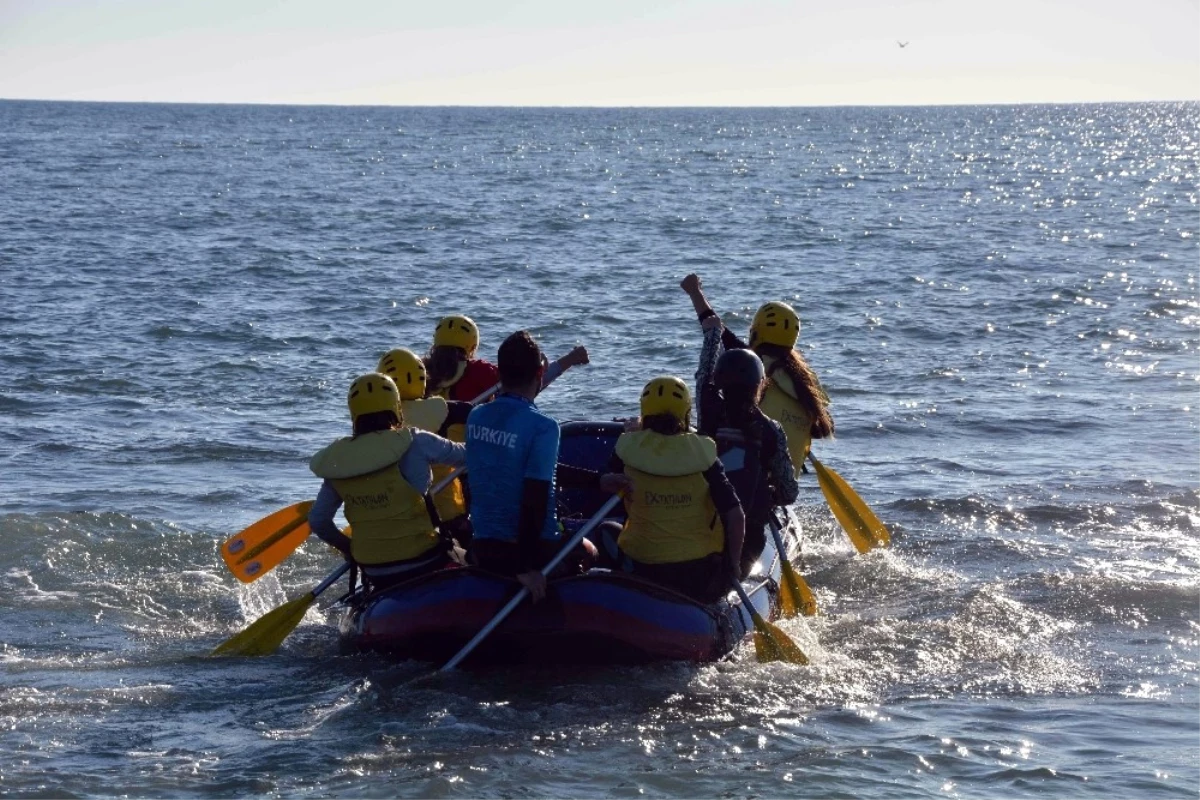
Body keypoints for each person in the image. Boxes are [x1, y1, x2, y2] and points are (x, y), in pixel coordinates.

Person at [464, 330, 598, 601]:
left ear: (499, 373)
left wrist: (597, 480)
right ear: (539, 374)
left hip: (485, 544)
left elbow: (508, 468)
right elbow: (534, 497)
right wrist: (527, 568)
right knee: (590, 550)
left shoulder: (475, 416)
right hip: (531, 549)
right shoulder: (543, 427)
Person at [307, 373, 466, 591]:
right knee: (473, 559)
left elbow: (318, 521)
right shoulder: (416, 441)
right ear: (395, 407)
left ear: (354, 414)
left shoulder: (339, 461)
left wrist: (349, 549)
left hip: (374, 570)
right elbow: (466, 455)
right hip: (424, 560)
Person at [598, 376, 746, 604]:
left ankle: (620, 594)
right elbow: (735, 515)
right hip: (696, 572)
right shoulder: (704, 454)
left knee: (606, 529)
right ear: (685, 415)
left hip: (642, 568)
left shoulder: (626, 447)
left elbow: (606, 482)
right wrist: (734, 564)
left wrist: (634, 434)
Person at [680, 274, 834, 477]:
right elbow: (822, 429)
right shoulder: (806, 382)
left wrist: (695, 292)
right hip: (785, 480)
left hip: (745, 470)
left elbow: (714, 326)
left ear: (755, 333)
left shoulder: (751, 363)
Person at [697, 336, 799, 577]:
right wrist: (769, 493)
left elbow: (703, 374)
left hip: (699, 526)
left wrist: (711, 335)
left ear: (719, 381)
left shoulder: (708, 409)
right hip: (747, 541)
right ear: (759, 385)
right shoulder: (771, 431)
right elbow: (789, 493)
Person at [376, 347, 474, 545]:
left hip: (392, 518)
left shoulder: (373, 421)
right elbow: (474, 412)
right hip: (447, 514)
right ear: (421, 379)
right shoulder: (441, 408)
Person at [424, 313, 589, 402]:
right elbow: (523, 387)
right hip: (467, 452)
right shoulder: (479, 371)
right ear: (472, 346)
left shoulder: (421, 372)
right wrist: (570, 360)